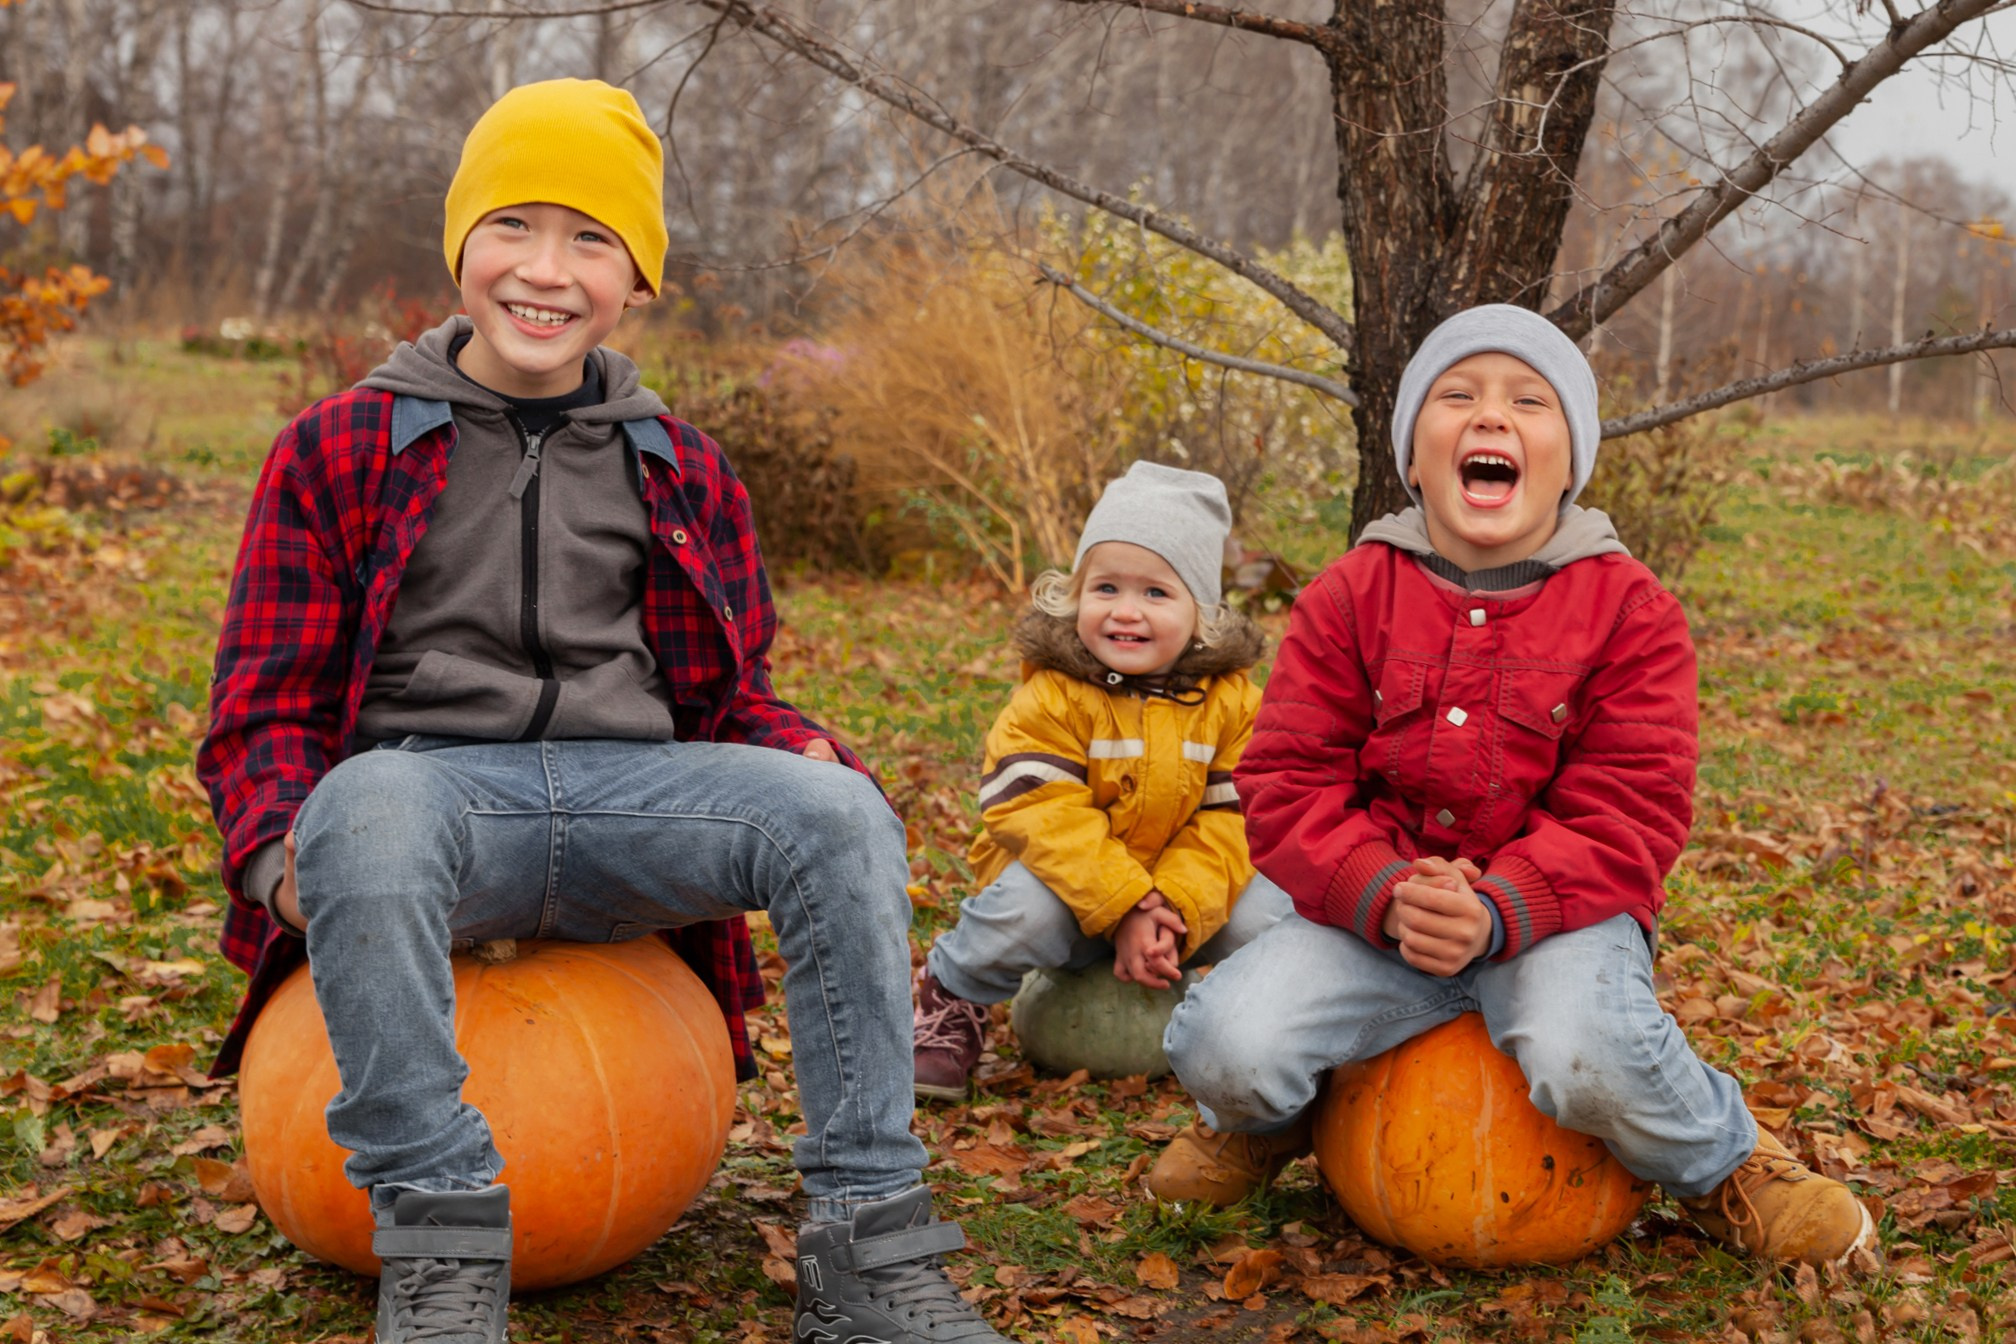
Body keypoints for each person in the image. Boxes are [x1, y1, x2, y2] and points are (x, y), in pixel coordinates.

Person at [197, 78, 1009, 1344]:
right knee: (366, 805)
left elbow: (729, 693)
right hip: (430, 806)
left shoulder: (681, 466)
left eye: (591, 239)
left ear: (637, 279)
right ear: (461, 244)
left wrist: (804, 757)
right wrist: (279, 861)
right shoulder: (340, 446)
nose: (546, 270)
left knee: (840, 814)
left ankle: (864, 1249)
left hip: (635, 805)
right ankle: (442, 1244)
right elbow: (263, 708)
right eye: (513, 226)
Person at [1147, 306, 1876, 1268]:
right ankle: (1271, 1118)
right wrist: (1384, 891)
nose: (1491, 415)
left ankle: (1722, 1167)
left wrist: (1499, 909)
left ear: (1570, 462)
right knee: (1226, 1041)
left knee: (1589, 1054)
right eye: (1457, 396)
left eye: (1530, 402)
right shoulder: (1348, 597)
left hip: (1558, 919)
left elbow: (1633, 805)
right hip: (1378, 914)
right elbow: (1289, 777)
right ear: (1414, 460)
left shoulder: (1631, 612)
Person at [912, 462, 1293, 1098]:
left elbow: (1234, 820)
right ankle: (952, 997)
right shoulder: (1054, 694)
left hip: (1180, 897)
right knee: (1022, 911)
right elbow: (1038, 808)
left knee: (1272, 910)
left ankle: (1245, 1021)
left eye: (1156, 593)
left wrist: (1171, 904)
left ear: (1200, 613)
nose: (1126, 611)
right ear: (1076, 595)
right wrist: (1127, 905)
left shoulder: (1232, 704)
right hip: (1066, 887)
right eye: (1106, 587)